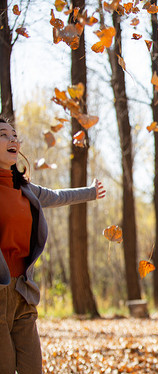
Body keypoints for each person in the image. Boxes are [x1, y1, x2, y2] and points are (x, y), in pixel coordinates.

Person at [0, 118, 106, 373]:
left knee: (31, 367)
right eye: (4, 135)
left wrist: (90, 192)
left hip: (24, 291)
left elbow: (57, 196)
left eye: (15, 135)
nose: (13, 139)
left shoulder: (26, 188)